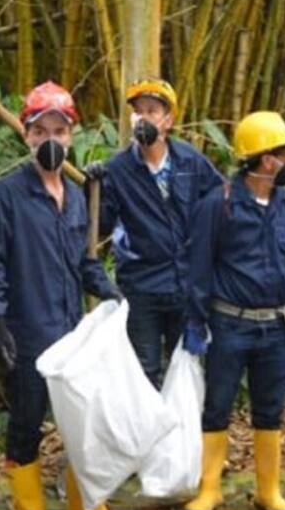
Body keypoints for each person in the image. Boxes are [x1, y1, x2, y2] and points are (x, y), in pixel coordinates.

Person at [0, 81, 131, 510]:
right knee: (27, 419)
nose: (50, 141)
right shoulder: (7, 196)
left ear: (71, 136)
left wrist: (104, 287)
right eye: (40, 131)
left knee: (84, 419)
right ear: (26, 137)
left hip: (71, 331)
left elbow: (81, 260)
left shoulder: (77, 195)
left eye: (59, 131)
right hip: (28, 328)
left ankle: (87, 507)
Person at [183, 111, 285, 510]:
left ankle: (269, 491)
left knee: (269, 409)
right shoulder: (220, 204)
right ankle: (209, 489)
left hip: (275, 328)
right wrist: (196, 321)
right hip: (229, 324)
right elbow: (199, 265)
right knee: (218, 405)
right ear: (266, 160)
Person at [85, 79, 224, 387]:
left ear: (168, 120)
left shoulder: (191, 161)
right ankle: (145, 435)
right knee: (143, 372)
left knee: (185, 371)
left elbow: (220, 207)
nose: (143, 118)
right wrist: (91, 189)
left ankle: (182, 434)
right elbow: (99, 226)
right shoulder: (118, 169)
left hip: (186, 285)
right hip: (141, 286)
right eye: (138, 112)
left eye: (152, 111)